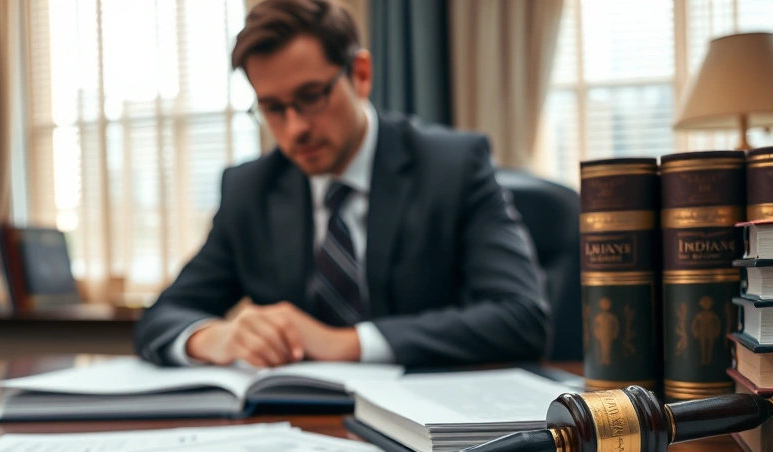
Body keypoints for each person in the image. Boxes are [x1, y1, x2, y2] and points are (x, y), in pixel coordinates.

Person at [134, 0, 550, 368]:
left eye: (311, 96)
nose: (294, 129)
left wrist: (344, 344)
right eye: (273, 109)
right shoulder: (250, 190)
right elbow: (163, 316)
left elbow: (522, 317)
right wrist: (215, 338)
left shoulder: (453, 166)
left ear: (361, 74)